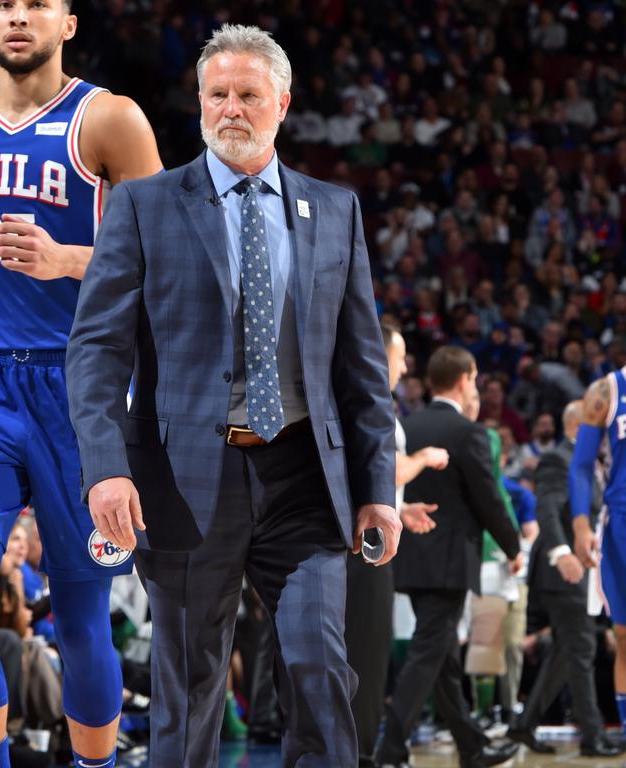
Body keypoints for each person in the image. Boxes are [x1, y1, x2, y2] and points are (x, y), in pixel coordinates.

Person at [66, 25, 399, 766]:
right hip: (183, 479)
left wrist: (378, 486)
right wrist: (105, 467)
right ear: (200, 102)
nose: (231, 109)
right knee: (189, 687)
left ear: (281, 102)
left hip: (304, 477)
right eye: (217, 94)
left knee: (318, 666)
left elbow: (362, 368)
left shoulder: (335, 210)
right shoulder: (143, 206)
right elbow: (95, 350)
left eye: (248, 95)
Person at [0, 0, 161, 766]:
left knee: (81, 618)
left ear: (67, 24)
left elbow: (171, 248)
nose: (19, 18)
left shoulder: (110, 121)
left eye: (37, 5)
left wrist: (68, 258)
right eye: (4, 5)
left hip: (79, 390)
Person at [378, 346, 523, 768]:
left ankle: (472, 747)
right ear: (464, 379)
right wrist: (512, 547)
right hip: (449, 560)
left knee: (442, 659)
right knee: (430, 653)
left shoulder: (408, 425)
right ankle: (391, 749)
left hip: (409, 552)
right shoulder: (468, 431)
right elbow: (488, 499)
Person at [346, 321, 449, 767]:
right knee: (366, 655)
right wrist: (424, 459)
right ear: (378, 351)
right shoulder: (370, 399)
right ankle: (361, 753)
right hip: (362, 548)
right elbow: (383, 468)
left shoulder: (369, 398)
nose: (405, 365)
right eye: (400, 354)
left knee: (365, 653)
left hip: (368, 531)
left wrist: (401, 508)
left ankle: (355, 748)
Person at [509, 401, 624, 757]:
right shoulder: (559, 459)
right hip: (564, 571)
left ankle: (524, 725)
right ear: (581, 425)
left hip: (584, 571)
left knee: (565, 652)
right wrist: (563, 554)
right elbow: (546, 508)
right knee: (582, 649)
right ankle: (593, 737)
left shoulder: (588, 463)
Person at [568, 363, 626, 743]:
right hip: (621, 521)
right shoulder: (607, 390)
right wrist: (580, 524)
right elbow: (581, 465)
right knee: (624, 636)